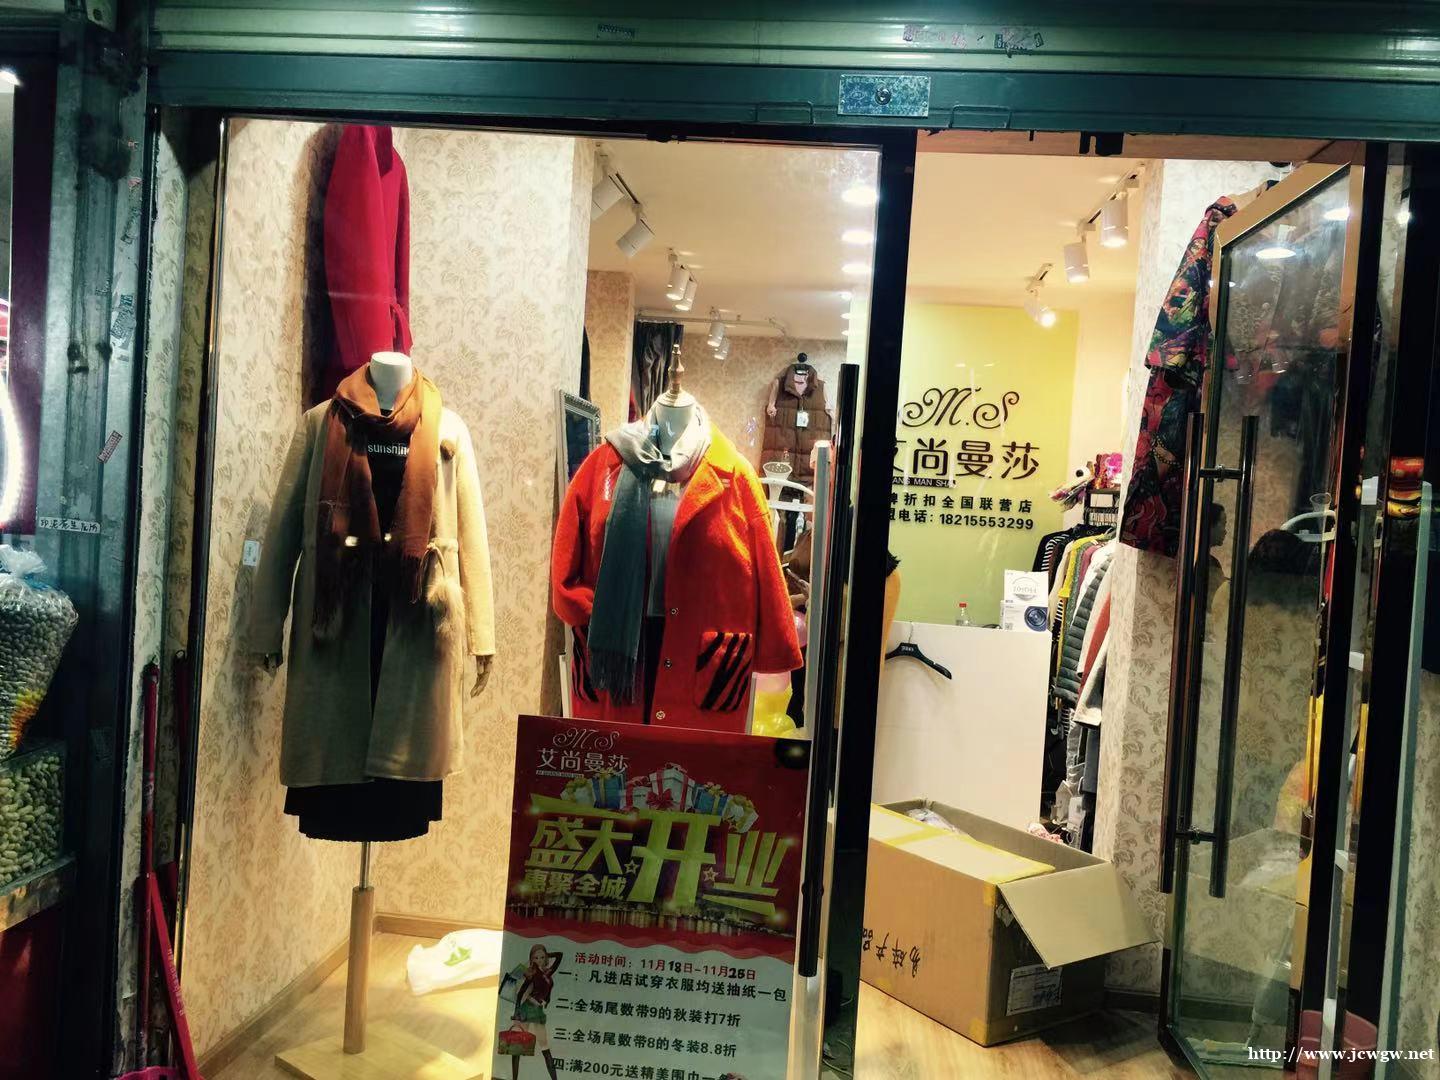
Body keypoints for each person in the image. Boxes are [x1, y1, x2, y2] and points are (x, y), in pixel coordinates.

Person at [511, 945, 562, 1080]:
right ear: (531, 959)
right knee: (518, 1047)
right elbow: (521, 993)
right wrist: (516, 1013)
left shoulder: (547, 972)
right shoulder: (532, 973)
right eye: (536, 958)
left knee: (544, 1046)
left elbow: (559, 956)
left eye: (542, 957)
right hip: (527, 1010)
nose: (539, 960)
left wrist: (547, 954)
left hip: (538, 1011)